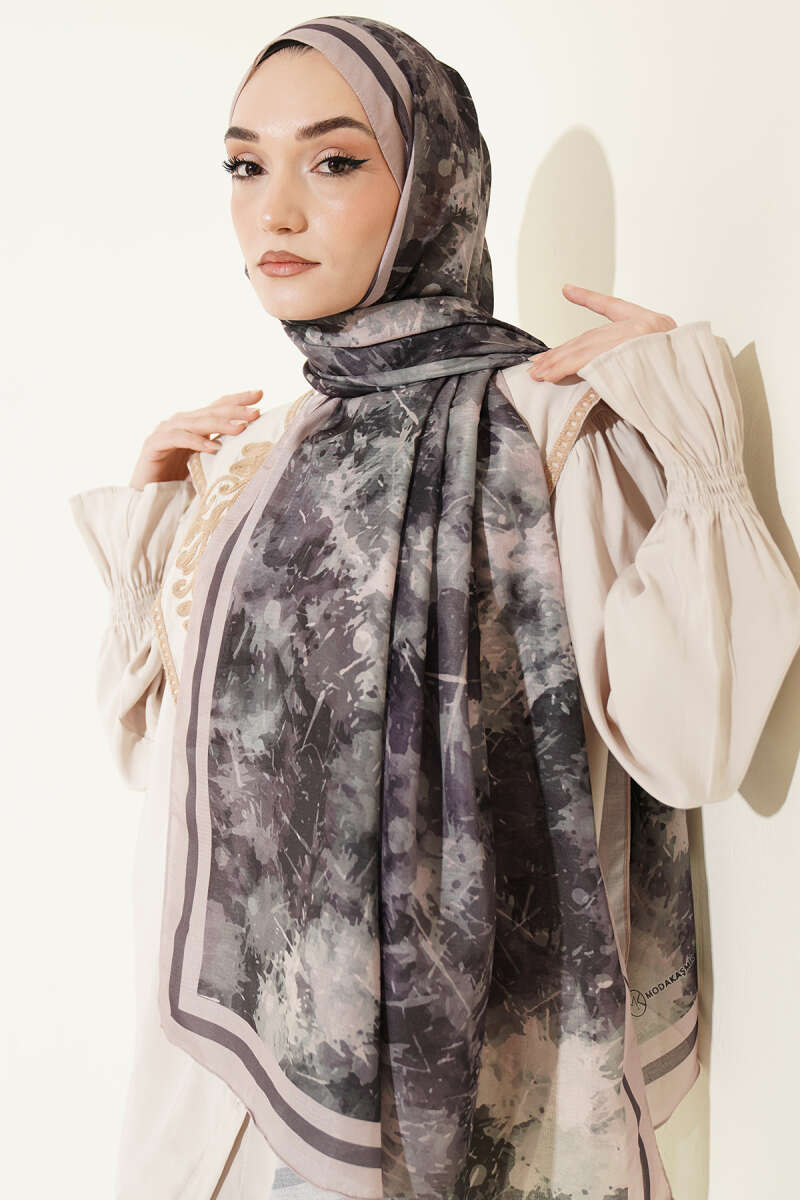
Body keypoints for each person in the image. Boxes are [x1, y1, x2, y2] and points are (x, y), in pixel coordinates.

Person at [67, 15, 800, 1200]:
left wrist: (695, 440)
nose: (273, 212)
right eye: (245, 165)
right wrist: (153, 534)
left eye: (332, 161)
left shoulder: (547, 428)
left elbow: (694, 744)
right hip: (226, 1108)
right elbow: (163, 772)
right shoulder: (256, 453)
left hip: (474, 1108)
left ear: (432, 186)